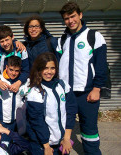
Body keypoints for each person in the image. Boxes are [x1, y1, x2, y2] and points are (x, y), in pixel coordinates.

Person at [58, 2, 107, 154]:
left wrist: (97, 88)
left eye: (73, 16)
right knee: (62, 128)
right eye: (66, 18)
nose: (70, 21)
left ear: (80, 15)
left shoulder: (94, 36)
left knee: (89, 130)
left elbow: (101, 66)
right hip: (67, 93)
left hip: (87, 93)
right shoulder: (63, 39)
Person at [26, 52, 77, 155]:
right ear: (39, 69)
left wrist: (66, 138)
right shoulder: (35, 92)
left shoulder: (63, 86)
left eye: (52, 68)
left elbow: (71, 111)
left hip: (62, 141)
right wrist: (46, 146)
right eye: (45, 68)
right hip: (42, 144)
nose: (49, 72)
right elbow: (37, 122)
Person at [0, 25, 29, 93]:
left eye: (7, 40)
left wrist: (18, 83)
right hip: (2, 85)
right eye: (2, 41)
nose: (5, 43)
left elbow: (26, 71)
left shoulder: (21, 50)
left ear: (12, 37)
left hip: (18, 85)